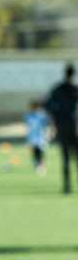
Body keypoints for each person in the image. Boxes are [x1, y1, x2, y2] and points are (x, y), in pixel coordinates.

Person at [44, 63, 78, 193]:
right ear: (73, 74)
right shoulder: (74, 90)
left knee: (65, 157)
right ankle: (67, 184)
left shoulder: (57, 89)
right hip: (73, 126)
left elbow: (47, 105)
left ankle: (67, 185)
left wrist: (53, 122)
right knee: (73, 156)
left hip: (62, 126)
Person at [24, 99, 49, 176]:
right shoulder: (28, 116)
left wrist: (46, 134)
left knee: (40, 153)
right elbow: (28, 127)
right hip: (32, 138)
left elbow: (44, 126)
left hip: (40, 137)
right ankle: (37, 166)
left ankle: (41, 166)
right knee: (34, 153)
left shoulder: (41, 115)